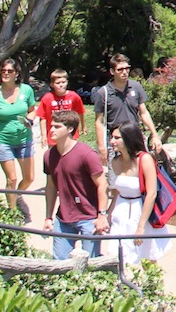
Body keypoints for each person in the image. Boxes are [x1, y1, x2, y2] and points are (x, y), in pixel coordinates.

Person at [43, 110, 109, 260]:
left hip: (89, 217)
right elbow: (51, 187)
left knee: (91, 264)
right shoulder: (49, 156)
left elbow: (102, 185)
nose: (51, 130)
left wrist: (102, 215)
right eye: (51, 126)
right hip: (63, 218)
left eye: (57, 127)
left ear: (70, 129)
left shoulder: (86, 154)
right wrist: (48, 217)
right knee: (59, 264)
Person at [106, 122, 172, 264]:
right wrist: (108, 214)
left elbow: (151, 193)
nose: (112, 141)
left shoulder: (145, 159)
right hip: (121, 211)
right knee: (115, 254)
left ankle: (153, 285)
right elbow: (117, 191)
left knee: (147, 258)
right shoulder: (115, 161)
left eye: (117, 138)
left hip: (141, 212)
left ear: (128, 138)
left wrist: (141, 227)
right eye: (112, 137)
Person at [0, 58, 36, 214]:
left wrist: (30, 119)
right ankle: (12, 213)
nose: (6, 73)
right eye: (3, 71)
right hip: (4, 141)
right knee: (11, 179)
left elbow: (32, 110)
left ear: (16, 73)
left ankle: (17, 195)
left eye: (10, 71)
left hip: (24, 140)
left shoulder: (26, 90)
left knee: (29, 178)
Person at [94, 54, 162, 164]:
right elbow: (99, 121)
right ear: (112, 71)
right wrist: (101, 147)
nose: (124, 72)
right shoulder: (104, 93)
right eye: (120, 69)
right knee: (116, 176)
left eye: (127, 68)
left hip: (135, 137)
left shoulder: (136, 87)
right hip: (116, 140)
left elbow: (144, 112)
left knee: (139, 174)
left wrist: (155, 135)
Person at [32, 69, 86, 146]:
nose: (61, 85)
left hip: (70, 134)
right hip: (53, 136)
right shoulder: (47, 98)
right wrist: (43, 135)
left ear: (67, 82)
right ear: (52, 84)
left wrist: (83, 126)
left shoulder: (74, 96)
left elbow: (80, 112)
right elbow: (42, 118)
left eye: (63, 82)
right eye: (58, 83)